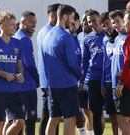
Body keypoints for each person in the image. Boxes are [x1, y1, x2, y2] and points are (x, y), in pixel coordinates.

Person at [42, 4, 80, 135]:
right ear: (65, 16)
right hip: (67, 84)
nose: (73, 21)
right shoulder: (66, 36)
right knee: (70, 118)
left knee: (53, 118)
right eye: (72, 17)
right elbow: (72, 64)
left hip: (52, 85)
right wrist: (80, 76)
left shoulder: (47, 35)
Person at [13, 10, 39, 135]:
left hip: (16, 86)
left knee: (18, 121)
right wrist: (38, 80)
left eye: (35, 22)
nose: (34, 25)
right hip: (27, 85)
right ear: (23, 22)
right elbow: (30, 64)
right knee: (30, 121)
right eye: (31, 22)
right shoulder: (24, 39)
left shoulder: (15, 36)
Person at [36, 3, 60, 135]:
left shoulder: (44, 31)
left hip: (47, 79)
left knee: (50, 115)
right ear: (53, 15)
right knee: (51, 116)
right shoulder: (49, 32)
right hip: (50, 80)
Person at [82, 9, 106, 135]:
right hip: (94, 80)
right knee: (95, 113)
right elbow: (85, 62)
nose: (92, 23)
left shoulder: (109, 36)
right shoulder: (87, 39)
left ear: (100, 21)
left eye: (94, 20)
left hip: (108, 79)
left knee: (115, 115)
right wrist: (81, 80)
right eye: (89, 21)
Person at [100, 11, 119, 135]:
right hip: (107, 81)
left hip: (119, 81)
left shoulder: (122, 37)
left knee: (124, 116)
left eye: (108, 24)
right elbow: (104, 62)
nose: (107, 27)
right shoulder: (105, 40)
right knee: (112, 115)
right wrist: (102, 82)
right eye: (104, 25)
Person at [77, 10, 94, 135]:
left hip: (93, 78)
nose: (84, 23)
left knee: (92, 111)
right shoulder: (78, 37)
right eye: (83, 20)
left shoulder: (98, 36)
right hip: (80, 79)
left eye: (87, 21)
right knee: (83, 109)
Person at [69, 12, 86, 135]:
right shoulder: (65, 37)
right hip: (70, 81)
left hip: (84, 80)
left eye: (76, 21)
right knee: (75, 112)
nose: (73, 24)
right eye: (71, 22)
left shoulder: (82, 37)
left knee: (90, 111)